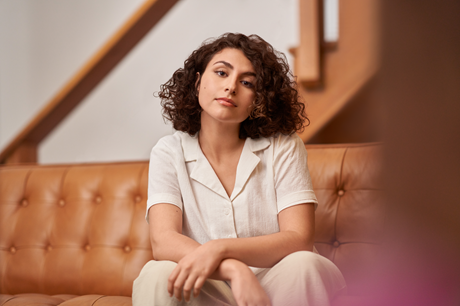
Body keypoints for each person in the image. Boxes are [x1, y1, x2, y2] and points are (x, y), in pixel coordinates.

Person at [133, 33, 346, 306]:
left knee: (305, 264)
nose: (231, 87)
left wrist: (219, 248)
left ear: (258, 98)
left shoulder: (283, 146)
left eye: (247, 82)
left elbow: (299, 238)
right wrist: (234, 269)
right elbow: (163, 241)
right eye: (221, 73)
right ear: (198, 82)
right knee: (158, 272)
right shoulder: (168, 151)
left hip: (278, 280)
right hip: (208, 284)